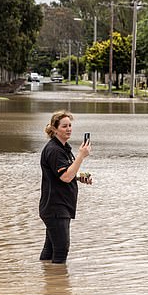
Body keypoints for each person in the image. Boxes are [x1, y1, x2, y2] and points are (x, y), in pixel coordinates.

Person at [39, 110, 92, 264]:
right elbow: (65, 176)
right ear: (55, 129)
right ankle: (57, 285)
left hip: (58, 206)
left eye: (70, 125)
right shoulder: (54, 150)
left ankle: (47, 278)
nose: (68, 129)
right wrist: (81, 155)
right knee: (61, 250)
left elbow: (66, 174)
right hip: (56, 207)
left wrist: (80, 177)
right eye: (64, 126)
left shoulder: (63, 148)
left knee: (50, 249)